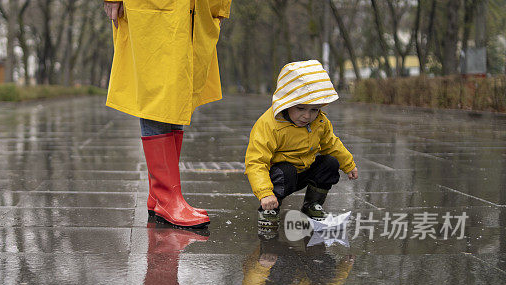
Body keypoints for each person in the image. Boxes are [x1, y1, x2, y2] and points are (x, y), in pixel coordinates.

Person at [103, 0, 231, 228]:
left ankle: (160, 195)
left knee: (176, 96)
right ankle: (167, 197)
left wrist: (218, 7)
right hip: (154, 8)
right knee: (158, 95)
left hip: (194, 10)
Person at [244, 60, 359, 233]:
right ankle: (270, 209)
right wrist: (265, 193)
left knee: (330, 163)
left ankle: (312, 205)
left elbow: (331, 143)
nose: (307, 116)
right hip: (279, 176)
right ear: (287, 102)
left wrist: (348, 164)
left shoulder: (320, 121)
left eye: (314, 109)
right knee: (285, 171)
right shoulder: (270, 125)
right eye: (300, 108)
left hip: (305, 170)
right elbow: (256, 161)